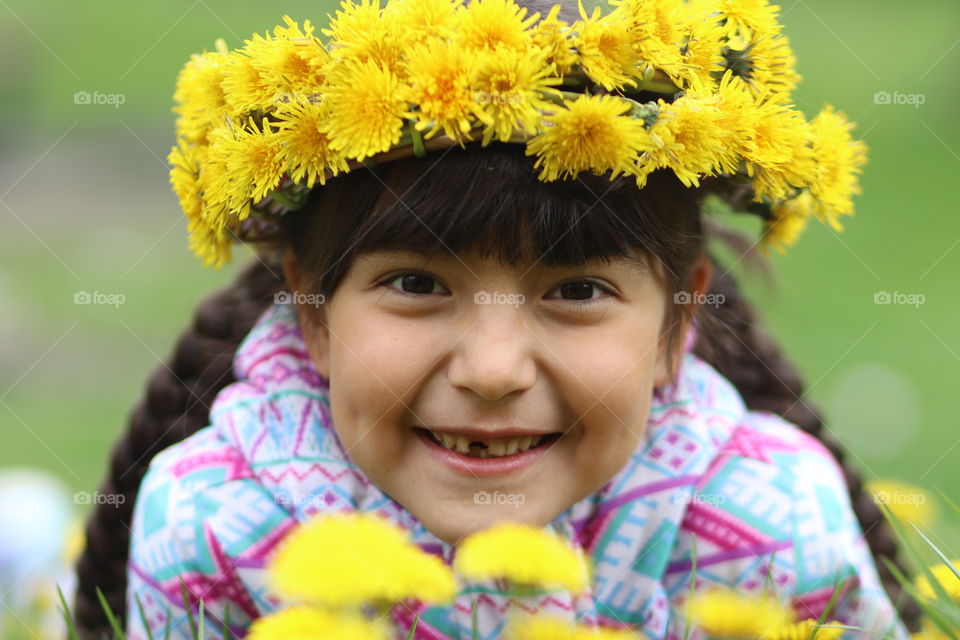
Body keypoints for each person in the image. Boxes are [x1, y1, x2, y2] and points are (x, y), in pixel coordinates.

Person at [72, 0, 922, 637]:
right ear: (315, 315)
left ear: (676, 325)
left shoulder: (772, 538)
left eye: (578, 291)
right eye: (416, 284)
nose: (491, 369)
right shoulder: (214, 533)